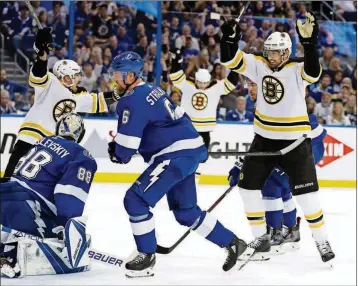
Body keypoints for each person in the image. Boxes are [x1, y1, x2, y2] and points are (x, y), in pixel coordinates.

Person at [107, 51, 247, 278]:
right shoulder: (152, 88)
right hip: (189, 150)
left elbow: (125, 150)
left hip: (172, 155)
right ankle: (233, 243)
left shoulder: (131, 100)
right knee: (185, 211)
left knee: (135, 200)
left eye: (118, 74)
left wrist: (116, 152)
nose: (114, 79)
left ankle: (146, 256)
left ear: (131, 75)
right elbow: (180, 116)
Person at [220, 11, 335, 263]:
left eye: (274, 52)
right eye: (268, 51)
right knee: (247, 189)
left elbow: (313, 72)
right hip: (264, 138)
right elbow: (230, 60)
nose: (269, 56)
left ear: (285, 53)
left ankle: (321, 240)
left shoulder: (296, 68)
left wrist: (310, 44)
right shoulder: (259, 63)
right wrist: (228, 39)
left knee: (307, 197)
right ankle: (260, 238)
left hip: (295, 141)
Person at [1, 28, 118, 182]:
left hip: (52, 143)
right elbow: (38, 73)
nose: (79, 78)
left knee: (40, 180)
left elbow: (100, 101)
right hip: (32, 134)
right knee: (11, 176)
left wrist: (120, 93)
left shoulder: (79, 97)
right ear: (66, 76)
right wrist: (42, 55)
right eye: (76, 75)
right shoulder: (50, 81)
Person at [0, 113, 96, 278]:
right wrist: (66, 228)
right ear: (80, 134)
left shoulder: (42, 142)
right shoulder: (80, 155)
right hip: (23, 205)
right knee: (51, 239)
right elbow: (69, 194)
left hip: (5, 191)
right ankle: (9, 254)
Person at [168, 48, 238, 183]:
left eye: (204, 83)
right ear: (196, 79)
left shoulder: (216, 87)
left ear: (209, 80)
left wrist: (236, 67)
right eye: (200, 82)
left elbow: (231, 84)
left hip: (204, 129)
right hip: (188, 127)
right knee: (183, 154)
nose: (202, 85)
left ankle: (195, 180)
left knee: (202, 157)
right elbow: (175, 77)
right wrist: (176, 60)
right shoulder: (189, 85)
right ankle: (180, 178)